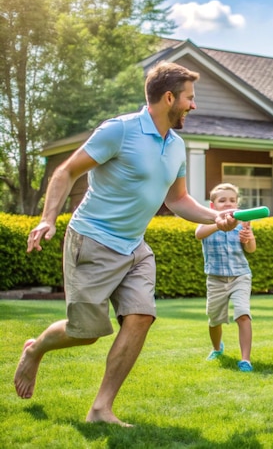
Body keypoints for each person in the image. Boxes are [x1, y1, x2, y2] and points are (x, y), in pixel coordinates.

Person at [14, 61, 238, 426]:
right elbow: (65, 171)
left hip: (135, 247)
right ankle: (36, 349)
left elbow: (178, 200)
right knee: (84, 334)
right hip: (93, 240)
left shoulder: (176, 145)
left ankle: (101, 408)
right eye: (189, 98)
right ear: (169, 98)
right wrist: (46, 219)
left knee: (141, 317)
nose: (193, 106)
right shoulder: (119, 131)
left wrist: (216, 218)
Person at [195, 183, 257, 372]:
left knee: (243, 314)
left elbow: (251, 249)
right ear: (213, 205)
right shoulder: (207, 221)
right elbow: (198, 234)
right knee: (214, 319)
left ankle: (245, 359)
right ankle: (216, 348)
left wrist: (248, 238)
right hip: (216, 279)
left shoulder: (243, 222)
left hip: (240, 275)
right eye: (222, 201)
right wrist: (219, 223)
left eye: (232, 200)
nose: (228, 203)